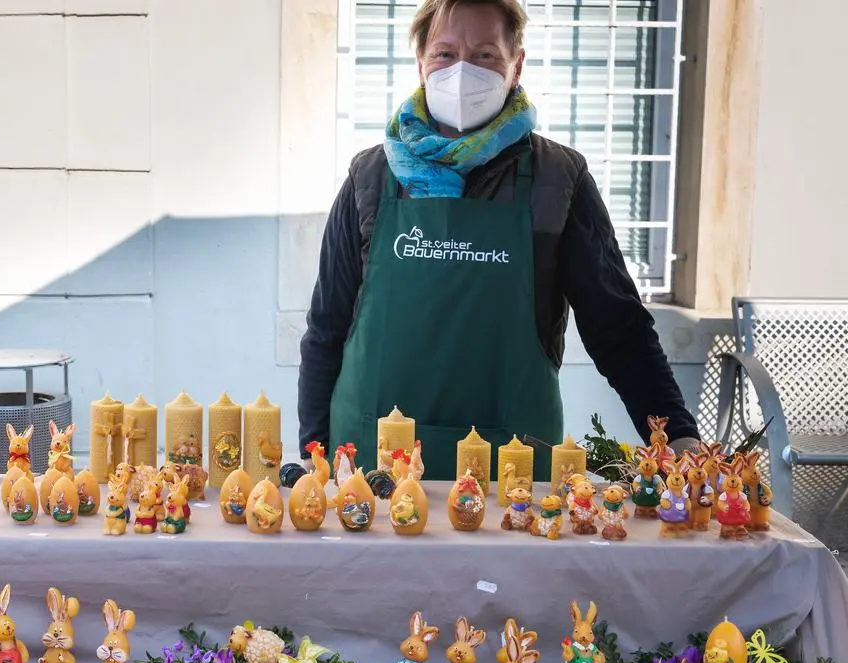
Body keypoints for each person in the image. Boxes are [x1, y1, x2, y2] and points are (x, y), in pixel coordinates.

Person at [297, 0, 699, 481]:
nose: (462, 71)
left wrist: (678, 437)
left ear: (516, 65)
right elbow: (326, 329)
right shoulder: (371, 177)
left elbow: (619, 329)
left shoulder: (557, 179)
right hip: (369, 474)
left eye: (485, 55)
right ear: (421, 63)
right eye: (445, 54)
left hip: (514, 481)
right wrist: (312, 452)